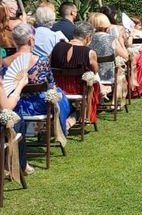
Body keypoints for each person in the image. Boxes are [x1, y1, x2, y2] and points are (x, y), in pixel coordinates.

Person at [4, 24, 72, 174]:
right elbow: (51, 85)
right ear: (30, 41)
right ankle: (62, 127)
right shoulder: (42, 61)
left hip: (14, 106)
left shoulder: (5, 62)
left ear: (15, 41)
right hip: (38, 106)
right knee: (59, 95)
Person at [50, 22, 100, 124]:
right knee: (94, 84)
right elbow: (95, 71)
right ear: (88, 37)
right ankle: (85, 115)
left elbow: (50, 64)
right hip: (79, 89)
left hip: (58, 87)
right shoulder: (89, 52)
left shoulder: (57, 47)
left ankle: (72, 114)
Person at [88, 13, 129, 84]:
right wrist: (121, 42)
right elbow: (125, 56)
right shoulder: (111, 39)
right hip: (110, 75)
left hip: (92, 76)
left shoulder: (87, 40)